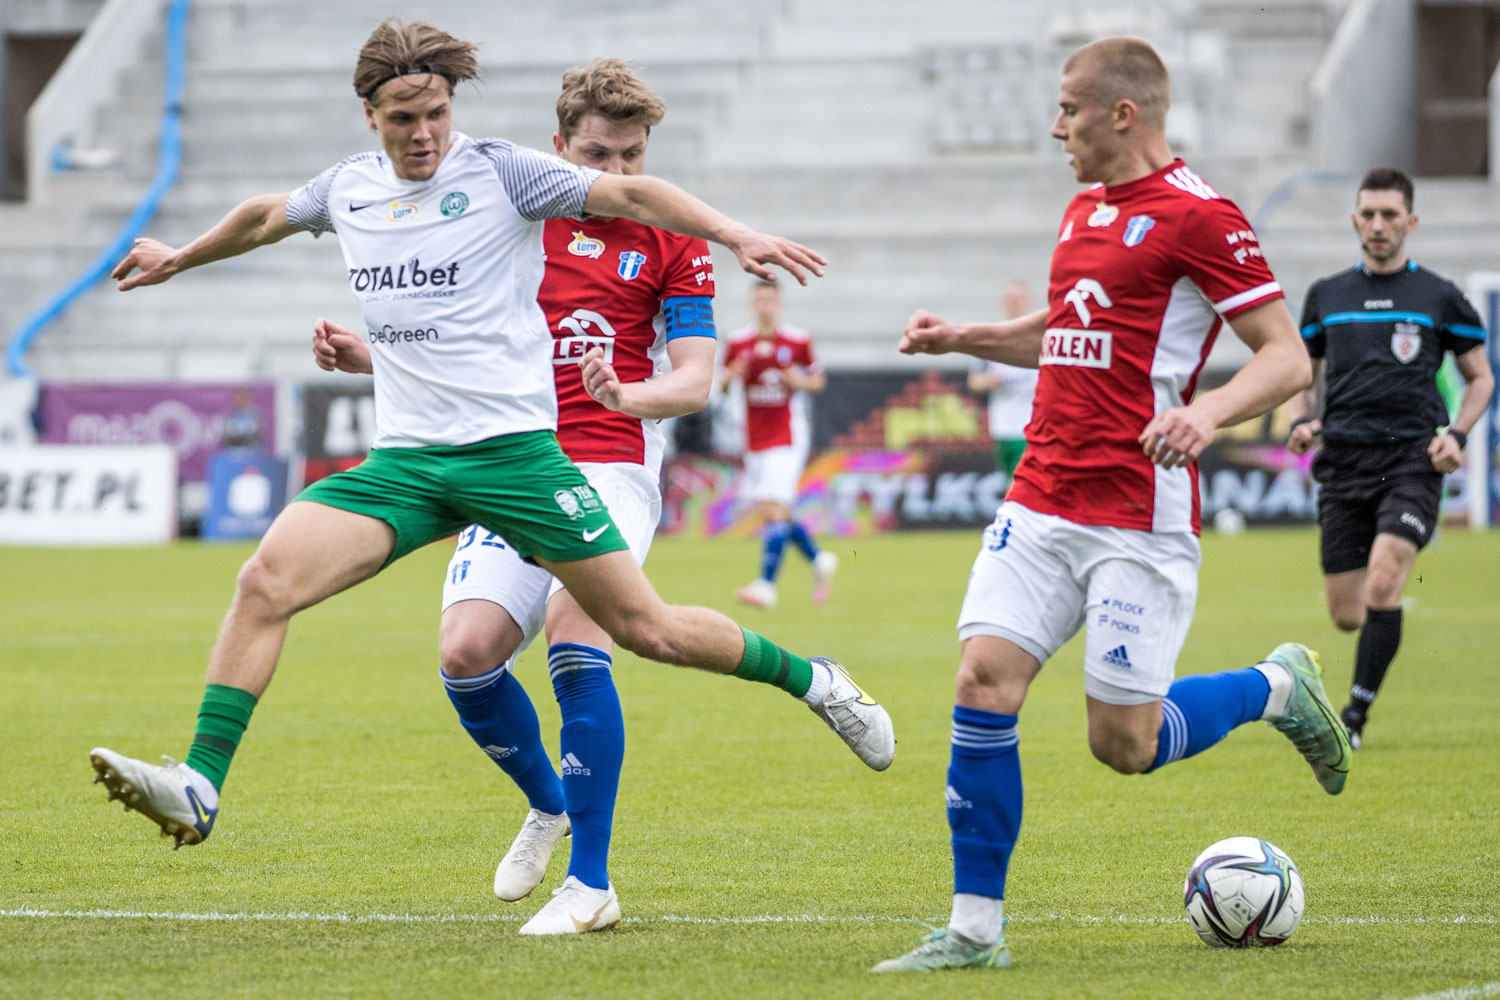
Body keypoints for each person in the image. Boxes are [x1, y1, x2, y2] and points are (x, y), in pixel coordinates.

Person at [88, 19, 894, 880]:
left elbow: (636, 209)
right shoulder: (349, 188)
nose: (424, 133)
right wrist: (183, 257)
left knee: (638, 630)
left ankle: (805, 685)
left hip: (521, 460)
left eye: (436, 113)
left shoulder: (507, 174)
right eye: (405, 118)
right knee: (277, 585)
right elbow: (267, 219)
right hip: (409, 464)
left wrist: (735, 236)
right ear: (371, 116)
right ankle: (201, 784)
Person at [875, 36, 1349, 973]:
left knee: (1123, 744)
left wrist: (1204, 414)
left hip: (1137, 512)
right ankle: (974, 930)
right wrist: (966, 335)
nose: (1057, 127)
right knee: (982, 681)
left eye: (1070, 108)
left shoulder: (1201, 216)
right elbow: (1068, 325)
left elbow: (1287, 356)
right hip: (1042, 496)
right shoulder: (1083, 208)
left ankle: (1276, 687)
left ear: (1122, 114)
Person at [310, 56, 730, 934]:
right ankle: (549, 802)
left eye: (632, 156)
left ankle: (591, 884)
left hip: (610, 463)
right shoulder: (508, 216)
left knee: (579, 632)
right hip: (506, 460)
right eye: (598, 155)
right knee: (466, 653)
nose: (617, 172)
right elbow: (450, 340)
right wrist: (370, 358)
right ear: (559, 149)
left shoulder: (674, 242)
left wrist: (630, 396)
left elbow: (694, 382)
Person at [1288, 168, 1492, 750]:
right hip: (1343, 463)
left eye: (1390, 215)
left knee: (1386, 575)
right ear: (1355, 219)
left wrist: (1458, 435)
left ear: (1411, 221)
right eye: (1369, 214)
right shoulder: (1327, 295)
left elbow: (1481, 378)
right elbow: (1302, 373)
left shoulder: (1438, 296)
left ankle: (1353, 718)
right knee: (1347, 614)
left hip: (1411, 460)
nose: (1378, 225)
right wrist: (1303, 420)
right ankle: (1359, 665)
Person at [721, 281, 837, 607]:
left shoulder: (797, 341)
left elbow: (818, 381)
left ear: (779, 304)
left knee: (772, 506)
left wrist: (797, 380)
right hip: (754, 437)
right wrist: (732, 375)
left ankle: (766, 586)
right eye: (759, 300)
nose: (765, 306)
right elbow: (723, 384)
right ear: (752, 304)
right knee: (773, 509)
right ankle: (819, 559)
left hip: (787, 436)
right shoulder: (738, 342)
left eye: (770, 300)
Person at [967, 280, 1040, 479]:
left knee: (1021, 481)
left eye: (1019, 299)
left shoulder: (1041, 339)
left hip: (1030, 427)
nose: (1014, 303)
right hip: (1002, 427)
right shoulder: (991, 339)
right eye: (1010, 299)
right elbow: (974, 382)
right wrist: (990, 381)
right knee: (1011, 479)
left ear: (1029, 301)